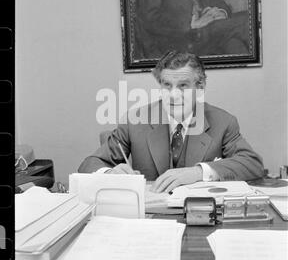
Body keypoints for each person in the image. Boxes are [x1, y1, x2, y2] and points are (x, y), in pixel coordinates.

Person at [78, 51, 264, 193]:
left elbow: (252, 164)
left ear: (200, 87)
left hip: (199, 218)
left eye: (183, 85)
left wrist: (198, 173)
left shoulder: (223, 122)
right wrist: (110, 174)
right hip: (148, 221)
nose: (174, 95)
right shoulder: (134, 121)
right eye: (167, 85)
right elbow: (89, 164)